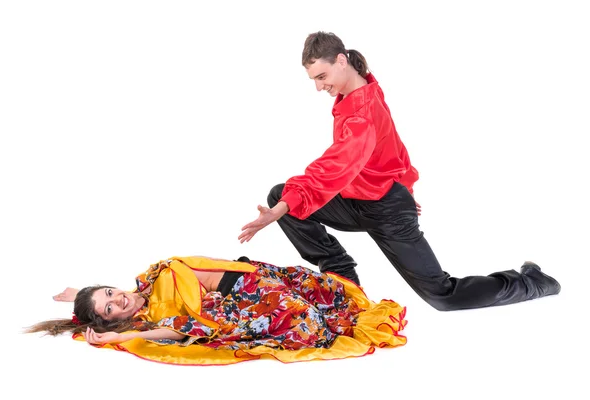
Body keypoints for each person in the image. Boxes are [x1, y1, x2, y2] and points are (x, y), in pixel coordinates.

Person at [238, 31, 561, 312]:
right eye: (314, 80)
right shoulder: (362, 87)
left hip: (386, 210)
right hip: (358, 200)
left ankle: (531, 282)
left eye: (322, 77)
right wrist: (404, 184)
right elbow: (394, 150)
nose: (320, 87)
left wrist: (276, 213)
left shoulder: (361, 112)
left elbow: (335, 166)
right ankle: (340, 271)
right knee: (282, 194)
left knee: (443, 295)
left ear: (340, 60)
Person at [25, 256, 407, 365]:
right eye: (109, 308)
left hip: (252, 276)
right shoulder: (150, 316)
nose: (117, 300)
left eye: (110, 292)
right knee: (306, 324)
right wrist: (125, 335)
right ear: (112, 318)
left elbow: (112, 292)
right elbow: (177, 330)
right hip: (240, 304)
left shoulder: (146, 277)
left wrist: (81, 292)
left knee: (321, 288)